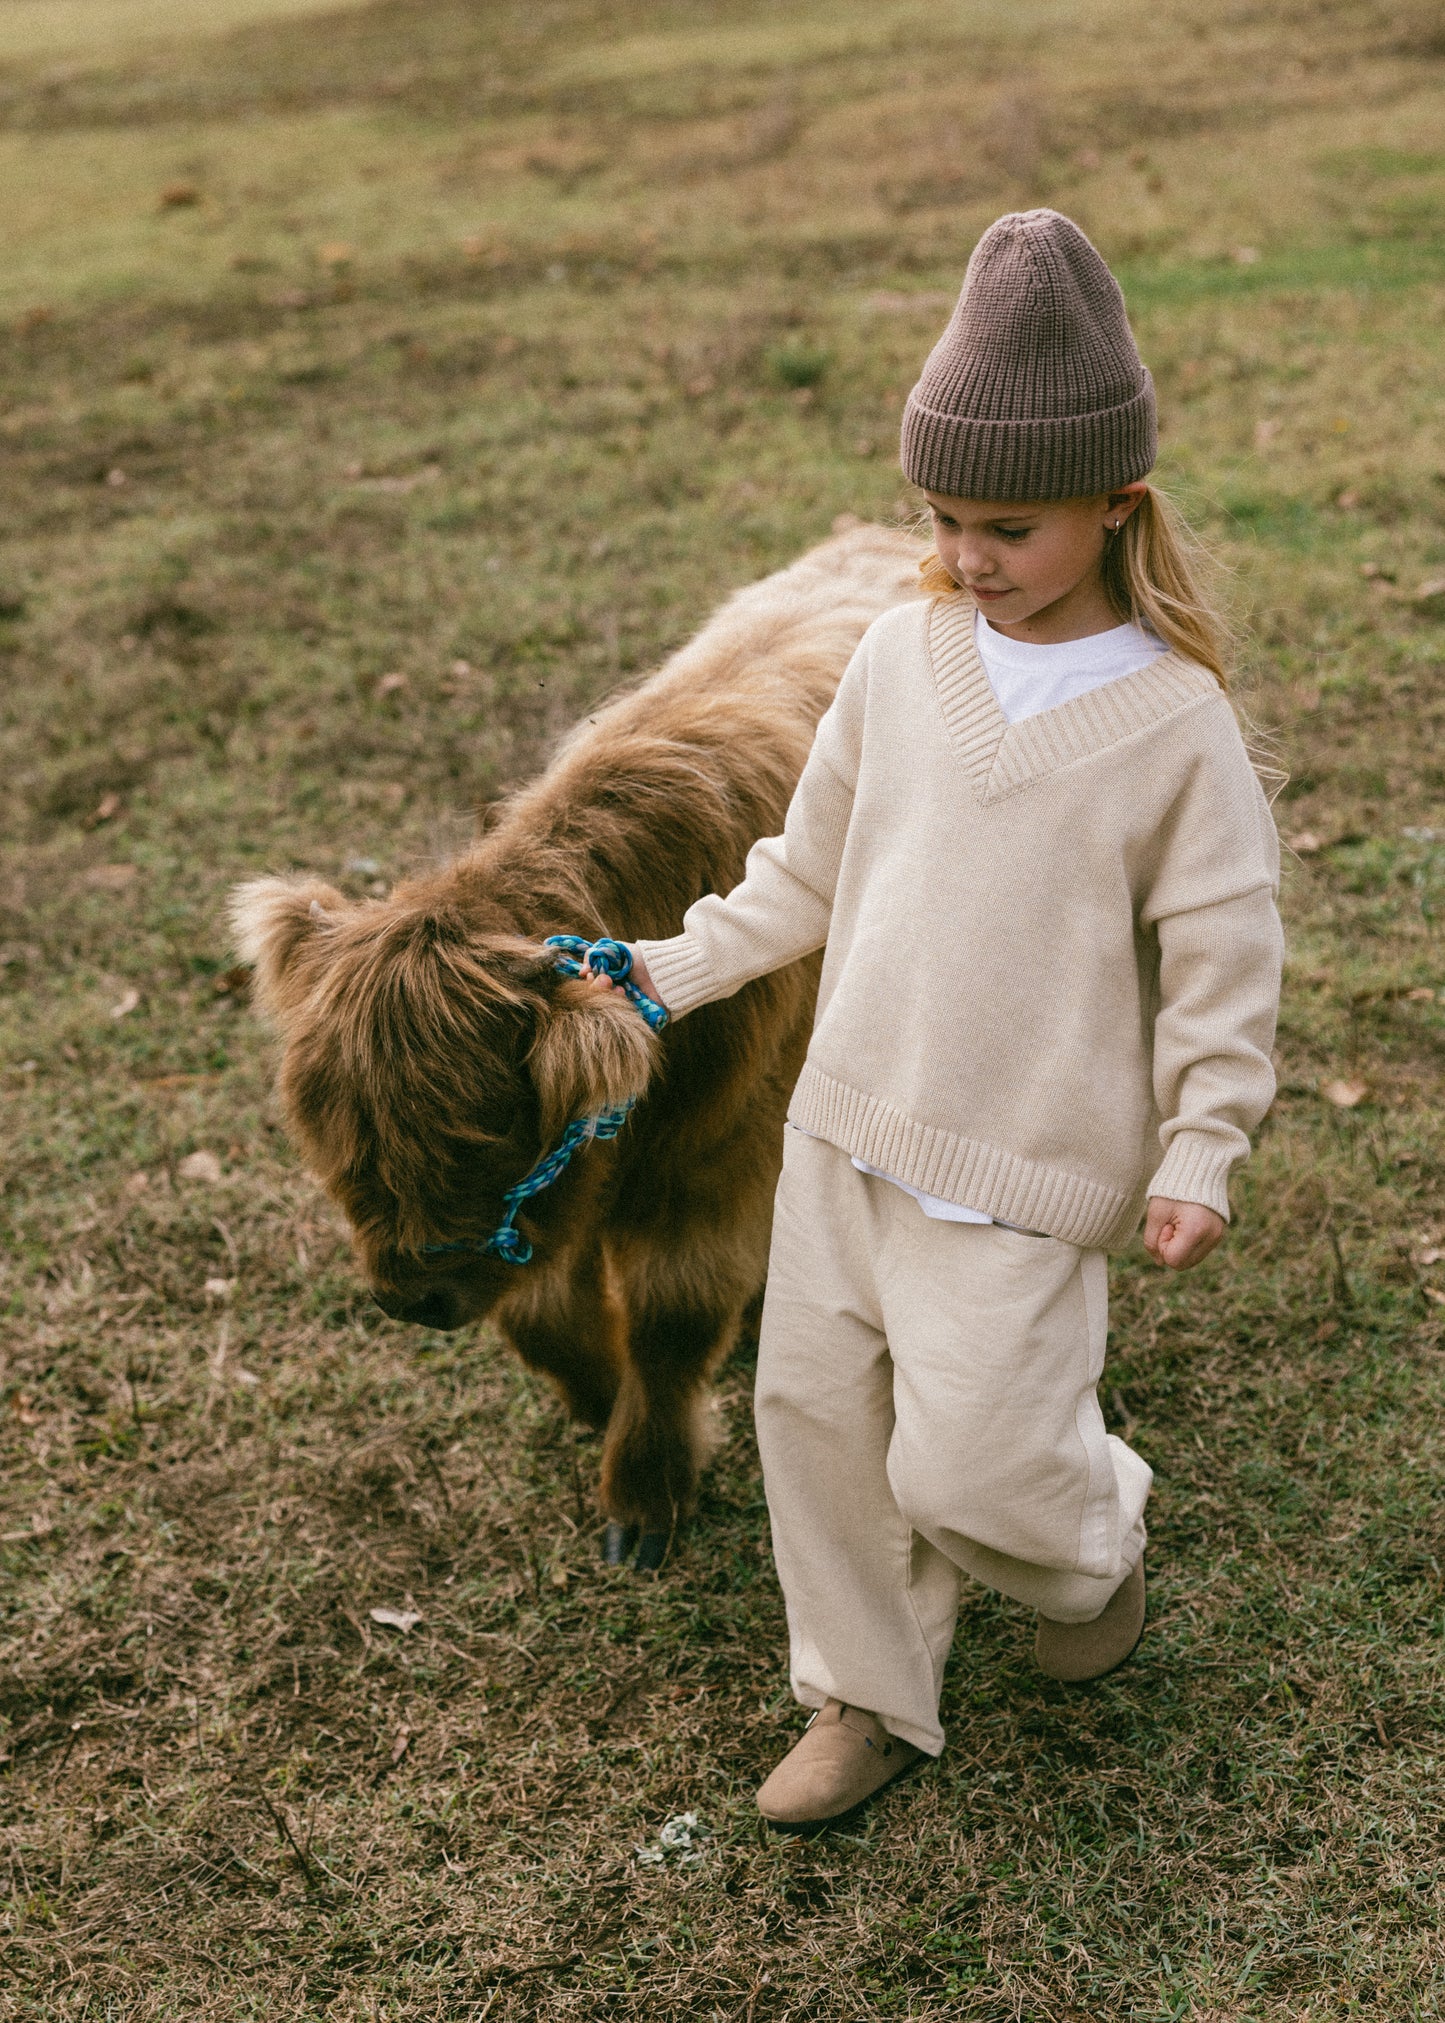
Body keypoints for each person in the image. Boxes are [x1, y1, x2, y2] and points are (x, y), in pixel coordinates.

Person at [588, 210, 1283, 1834]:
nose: (968, 554)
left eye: (1009, 526)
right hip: (845, 1130)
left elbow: (1222, 954)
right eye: (945, 517)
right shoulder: (902, 659)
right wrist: (663, 971)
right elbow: (802, 870)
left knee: (971, 1467)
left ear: (1116, 507)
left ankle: (1089, 1539)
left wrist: (1201, 1140)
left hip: (1021, 1167)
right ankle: (865, 1694)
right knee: (814, 1432)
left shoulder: (1176, 727)